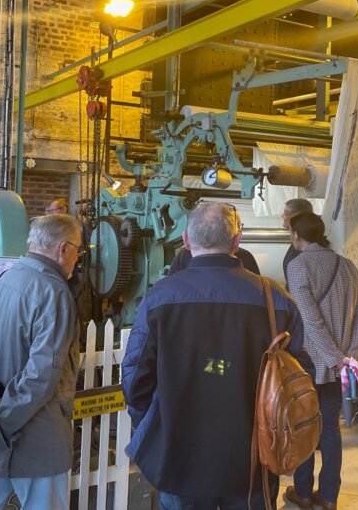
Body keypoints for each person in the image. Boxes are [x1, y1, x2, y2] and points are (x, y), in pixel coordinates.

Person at [123, 202, 311, 510]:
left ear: (185, 240)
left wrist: (156, 424)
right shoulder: (275, 298)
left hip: (179, 455)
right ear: (237, 242)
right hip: (253, 460)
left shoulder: (159, 298)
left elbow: (134, 379)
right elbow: (299, 376)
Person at [0, 214, 82, 510]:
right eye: (78, 249)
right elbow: (42, 374)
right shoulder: (55, 293)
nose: (78, 257)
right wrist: (0, 421)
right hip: (38, 435)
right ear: (63, 248)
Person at [285, 212, 358, 510]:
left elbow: (310, 320)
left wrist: (335, 359)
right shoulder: (348, 267)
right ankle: (330, 497)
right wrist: (350, 358)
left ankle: (304, 493)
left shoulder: (298, 267)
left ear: (297, 235)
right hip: (340, 364)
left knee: (304, 426)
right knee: (330, 428)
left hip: (309, 360)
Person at [168, 205, 260, 274]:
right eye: (239, 226)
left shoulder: (160, 292)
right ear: (236, 240)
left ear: (186, 239)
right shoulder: (267, 288)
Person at [282, 198, 314, 289]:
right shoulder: (298, 240)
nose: (282, 215)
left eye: (285, 213)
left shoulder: (304, 244)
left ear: (294, 217)